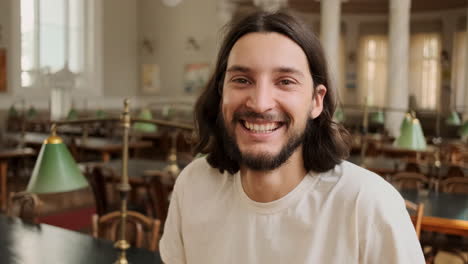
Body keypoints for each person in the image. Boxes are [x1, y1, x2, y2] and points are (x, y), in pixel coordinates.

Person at [160, 11, 425, 264]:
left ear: (316, 101)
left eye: (285, 81)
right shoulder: (192, 186)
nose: (261, 104)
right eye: (241, 79)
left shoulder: (368, 204)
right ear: (221, 95)